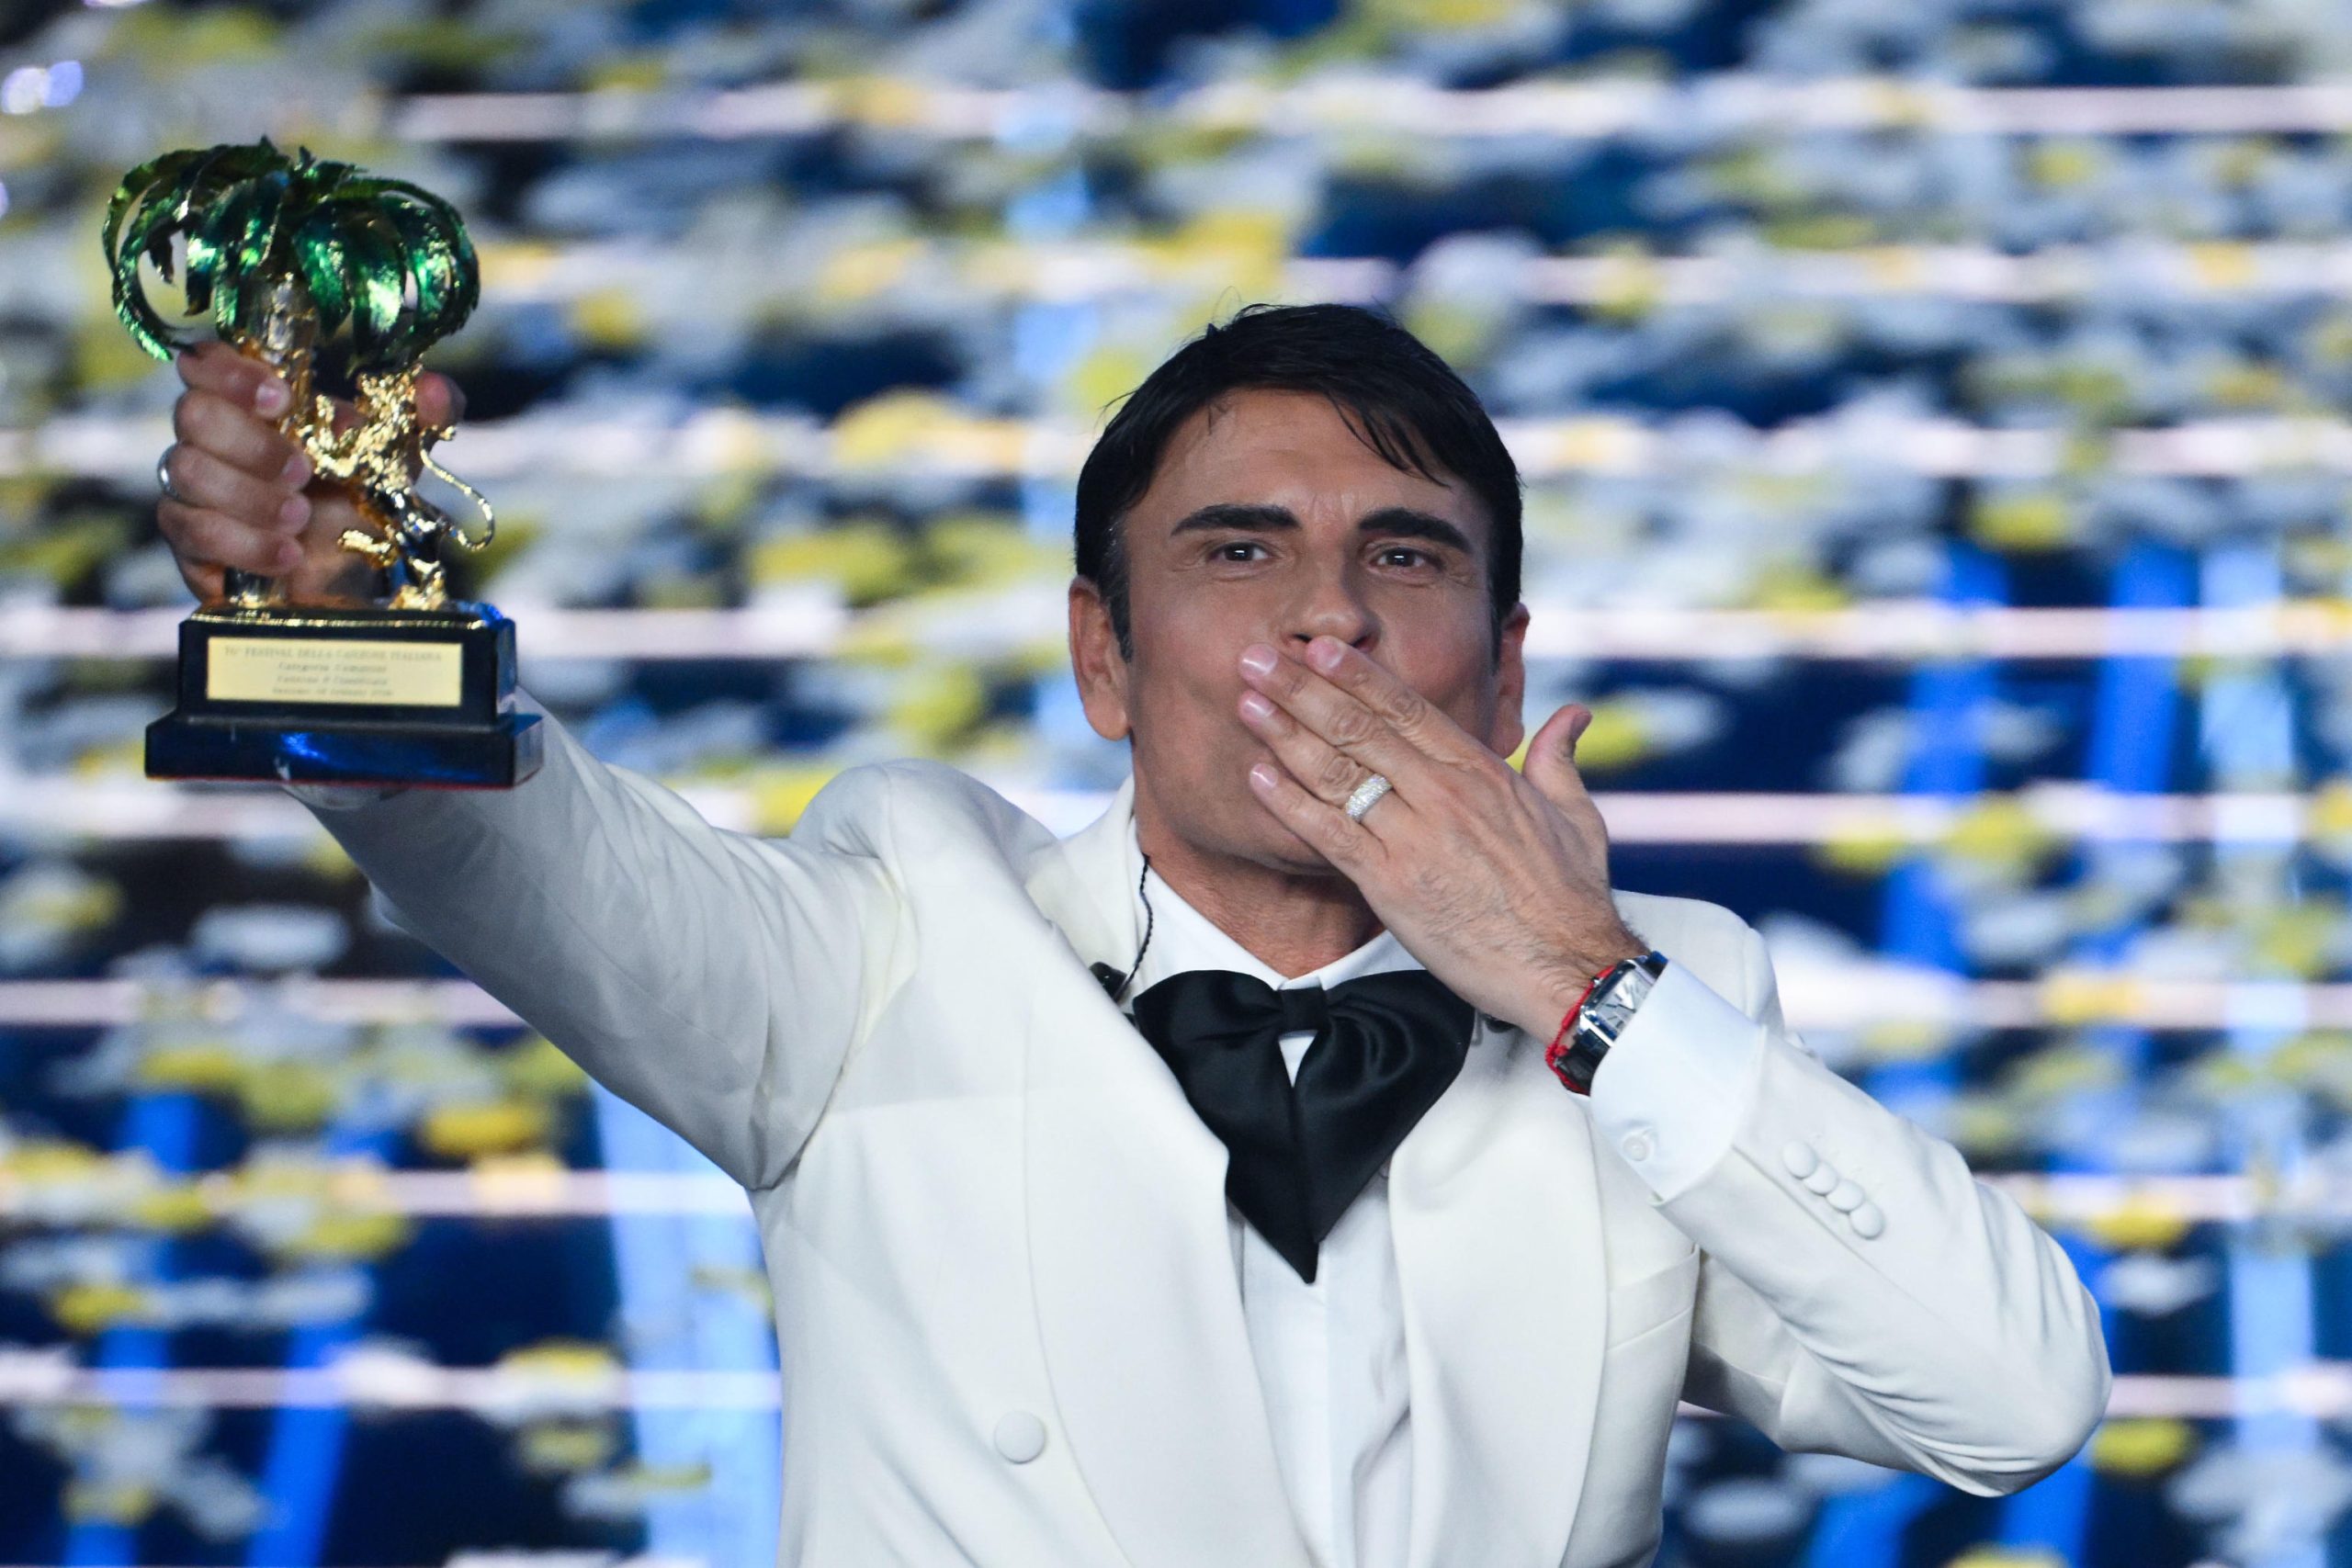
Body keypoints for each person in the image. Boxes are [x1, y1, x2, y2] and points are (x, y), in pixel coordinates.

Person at [153, 303, 2110, 1568]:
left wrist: (1575, 985)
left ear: (1504, 668)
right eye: (1239, 549)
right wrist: (350, 629)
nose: (1328, 620)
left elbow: (2011, 1406)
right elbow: (527, 854)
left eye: (1404, 554)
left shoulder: (1657, 1010)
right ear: (1103, 655)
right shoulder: (890, 938)